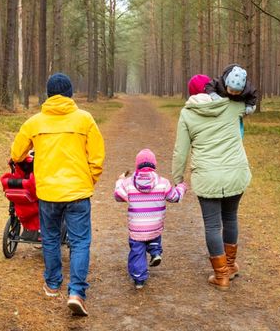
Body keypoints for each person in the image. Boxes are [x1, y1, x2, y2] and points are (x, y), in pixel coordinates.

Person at [10, 73, 105, 316]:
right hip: (77, 192)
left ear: (48, 94)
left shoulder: (34, 122)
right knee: (80, 241)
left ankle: (52, 284)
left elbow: (17, 153)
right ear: (71, 94)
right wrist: (89, 179)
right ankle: (76, 293)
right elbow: (97, 158)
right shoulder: (85, 120)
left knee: (50, 238)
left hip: (48, 192)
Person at [172, 74, 252, 291]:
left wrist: (177, 178)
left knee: (213, 225)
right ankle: (230, 265)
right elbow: (249, 99)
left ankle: (221, 275)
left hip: (207, 177)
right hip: (236, 172)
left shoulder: (188, 113)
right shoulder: (232, 105)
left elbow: (181, 150)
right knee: (231, 217)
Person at [113, 149, 186, 289]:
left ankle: (139, 279)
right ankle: (155, 251)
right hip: (155, 225)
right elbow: (175, 197)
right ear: (154, 165)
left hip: (137, 227)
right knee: (153, 233)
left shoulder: (128, 183)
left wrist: (119, 181)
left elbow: (118, 195)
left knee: (137, 250)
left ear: (137, 166)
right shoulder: (163, 183)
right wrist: (182, 187)